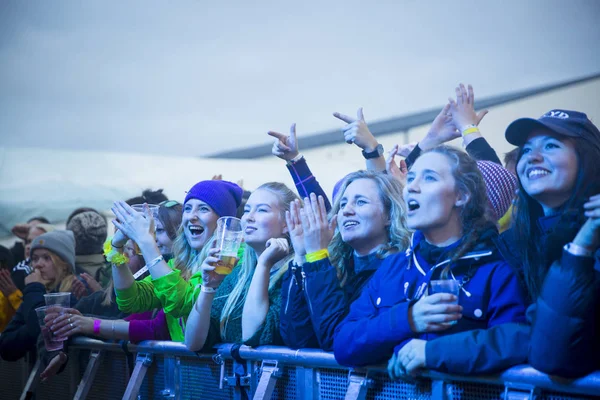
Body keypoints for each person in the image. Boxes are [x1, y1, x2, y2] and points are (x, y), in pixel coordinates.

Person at [333, 146, 527, 370]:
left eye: (429, 178)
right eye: (412, 177)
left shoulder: (496, 267)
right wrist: (408, 318)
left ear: (461, 195)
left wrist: (434, 353)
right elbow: (343, 344)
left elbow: (516, 342)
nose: (411, 187)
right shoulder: (394, 266)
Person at [501, 109, 600, 377]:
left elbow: (553, 354)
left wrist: (580, 248)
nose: (532, 157)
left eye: (551, 145)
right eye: (526, 149)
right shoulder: (510, 244)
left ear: (587, 158)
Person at [280, 171, 411, 351]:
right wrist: (302, 256)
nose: (347, 210)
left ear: (389, 215)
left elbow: (336, 339)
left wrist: (318, 257)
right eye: (342, 204)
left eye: (361, 202)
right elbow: (297, 339)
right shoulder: (335, 268)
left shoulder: (399, 269)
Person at [111, 180, 243, 342]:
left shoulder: (231, 259)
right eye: (188, 208)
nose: (192, 216)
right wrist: (116, 247)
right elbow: (131, 300)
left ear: (222, 221)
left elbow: (185, 303)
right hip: (184, 365)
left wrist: (147, 242)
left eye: (203, 209)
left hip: (219, 364)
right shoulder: (178, 264)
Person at [185, 182, 297, 351]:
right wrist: (208, 288)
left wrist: (264, 264)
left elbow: (252, 336)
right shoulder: (238, 275)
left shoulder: (295, 274)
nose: (249, 218)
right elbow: (193, 342)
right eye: (246, 210)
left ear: (287, 222)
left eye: (261, 210)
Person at [0, 231, 77, 361]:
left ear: (64, 264)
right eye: (35, 258)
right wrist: (30, 328)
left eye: (47, 258)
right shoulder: (35, 292)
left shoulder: (75, 290)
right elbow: (6, 346)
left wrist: (32, 326)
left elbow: (38, 329)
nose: (38, 264)